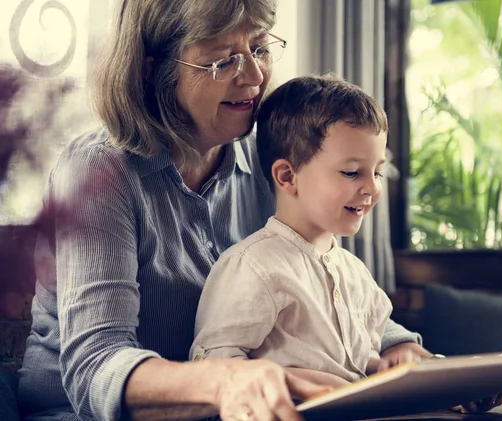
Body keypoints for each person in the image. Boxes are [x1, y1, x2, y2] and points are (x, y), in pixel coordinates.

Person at [17, 1, 426, 420]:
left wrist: (397, 346)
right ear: (151, 69)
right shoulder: (100, 172)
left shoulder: (273, 160)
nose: (253, 76)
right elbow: (95, 366)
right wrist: (227, 381)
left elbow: (325, 284)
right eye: (222, 60)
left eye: (260, 48)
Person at [191, 74, 430, 388]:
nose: (372, 187)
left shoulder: (354, 272)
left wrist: (398, 369)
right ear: (288, 177)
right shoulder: (253, 266)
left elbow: (356, 362)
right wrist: (288, 380)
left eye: (378, 172)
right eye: (351, 172)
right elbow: (212, 365)